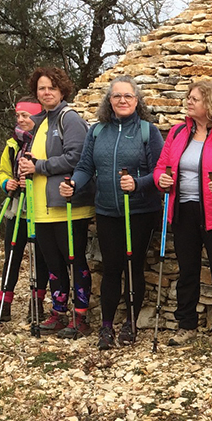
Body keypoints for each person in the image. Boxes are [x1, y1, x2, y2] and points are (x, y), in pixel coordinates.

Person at [62, 76, 164, 350]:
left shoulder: (147, 131)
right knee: (110, 268)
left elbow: (160, 171)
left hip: (140, 210)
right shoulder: (97, 132)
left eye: (128, 96)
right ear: (109, 101)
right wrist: (73, 184)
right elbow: (85, 167)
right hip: (107, 210)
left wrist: (137, 184)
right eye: (117, 96)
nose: (122, 100)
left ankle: (130, 323)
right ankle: (106, 326)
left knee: (134, 266)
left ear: (136, 100)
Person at [154, 80, 212, 350]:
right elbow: (161, 167)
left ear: (210, 103)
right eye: (189, 97)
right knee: (187, 272)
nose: (189, 102)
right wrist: (162, 179)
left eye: (195, 98)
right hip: (183, 210)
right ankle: (186, 325)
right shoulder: (177, 133)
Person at [17, 67, 94, 339]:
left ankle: (81, 316)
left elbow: (77, 158)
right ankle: (59, 312)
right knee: (53, 264)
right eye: (41, 88)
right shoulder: (41, 122)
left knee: (75, 261)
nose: (46, 92)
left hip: (67, 206)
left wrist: (39, 166)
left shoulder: (68, 119)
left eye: (51, 87)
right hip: (41, 208)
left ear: (62, 90)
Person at [0, 97, 51, 324]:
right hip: (16, 207)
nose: (20, 120)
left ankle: (36, 303)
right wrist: (6, 183)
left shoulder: (47, 141)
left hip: (39, 207)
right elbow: (2, 171)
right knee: (12, 254)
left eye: (26, 116)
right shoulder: (12, 144)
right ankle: (4, 303)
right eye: (18, 116)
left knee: (41, 256)